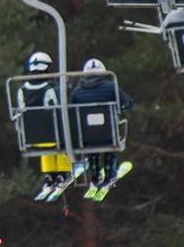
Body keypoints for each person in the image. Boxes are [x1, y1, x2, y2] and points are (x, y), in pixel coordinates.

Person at [14, 50, 72, 197]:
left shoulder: (22, 90)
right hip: (54, 135)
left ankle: (50, 178)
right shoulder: (51, 88)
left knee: (46, 150)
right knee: (61, 145)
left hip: (32, 137)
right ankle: (64, 174)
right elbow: (61, 109)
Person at [69, 57, 134, 189]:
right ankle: (110, 174)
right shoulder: (111, 87)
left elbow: (71, 111)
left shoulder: (77, 92)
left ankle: (95, 175)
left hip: (86, 137)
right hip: (108, 135)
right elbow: (128, 103)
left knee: (92, 146)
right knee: (109, 144)